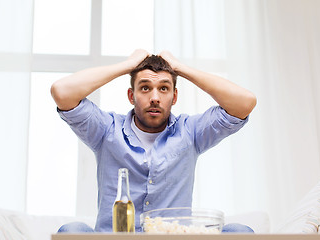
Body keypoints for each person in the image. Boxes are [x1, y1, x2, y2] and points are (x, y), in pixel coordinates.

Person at [51, 49, 257, 233]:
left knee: (240, 231)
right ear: (131, 95)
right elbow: (61, 91)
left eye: (164, 88)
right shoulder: (106, 130)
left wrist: (180, 68)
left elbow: (244, 102)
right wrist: (127, 66)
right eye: (145, 88)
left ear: (174, 97)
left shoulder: (191, 132)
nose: (155, 98)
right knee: (71, 230)